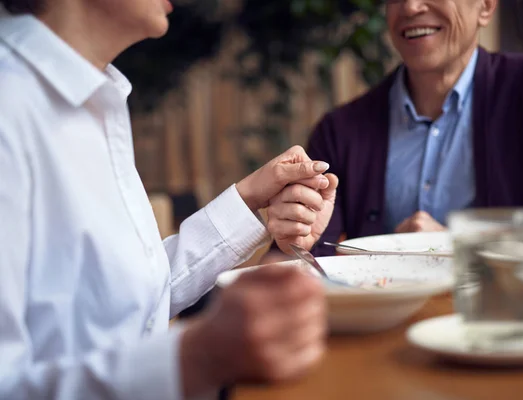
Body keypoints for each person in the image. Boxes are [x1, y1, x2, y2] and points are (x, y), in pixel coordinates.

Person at [0, 1, 339, 399]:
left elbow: (135, 307)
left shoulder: (91, 99)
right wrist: (197, 356)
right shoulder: (10, 109)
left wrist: (250, 202)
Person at [264, 0, 523, 260]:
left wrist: (467, 243)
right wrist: (292, 244)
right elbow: (308, 256)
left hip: (506, 322)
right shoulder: (340, 130)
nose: (410, 7)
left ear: (485, 6)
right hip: (381, 334)